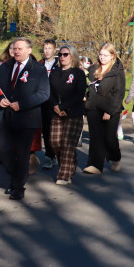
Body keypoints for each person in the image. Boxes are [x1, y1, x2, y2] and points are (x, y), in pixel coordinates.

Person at [0, 38, 50, 200]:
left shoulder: (38, 69)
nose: (16, 51)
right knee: (2, 149)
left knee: (21, 154)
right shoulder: (5, 67)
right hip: (6, 116)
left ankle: (18, 186)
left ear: (29, 50)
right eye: (14, 48)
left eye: (20, 49)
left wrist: (22, 104)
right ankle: (15, 174)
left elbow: (44, 94)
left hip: (27, 118)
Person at [83, 44, 126, 174]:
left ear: (112, 56)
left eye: (105, 55)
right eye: (100, 55)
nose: (102, 57)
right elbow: (87, 86)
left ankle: (115, 157)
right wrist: (85, 98)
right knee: (95, 137)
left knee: (109, 138)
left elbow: (119, 93)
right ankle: (95, 165)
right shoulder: (93, 69)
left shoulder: (117, 72)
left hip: (110, 109)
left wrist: (109, 111)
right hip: (93, 107)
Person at [49, 45, 87, 186]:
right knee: (55, 142)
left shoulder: (79, 73)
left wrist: (64, 107)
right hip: (56, 112)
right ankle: (70, 163)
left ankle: (64, 175)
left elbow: (79, 94)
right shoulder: (54, 72)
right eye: (60, 54)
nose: (62, 57)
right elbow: (49, 91)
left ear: (73, 56)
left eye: (66, 54)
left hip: (74, 113)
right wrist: (56, 106)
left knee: (67, 144)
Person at [38, 39, 59, 168]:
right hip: (42, 101)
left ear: (54, 50)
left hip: (55, 101)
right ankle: (48, 155)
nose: (47, 51)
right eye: (45, 48)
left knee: (54, 130)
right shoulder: (39, 64)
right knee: (45, 129)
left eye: (49, 48)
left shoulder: (58, 64)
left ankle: (53, 154)